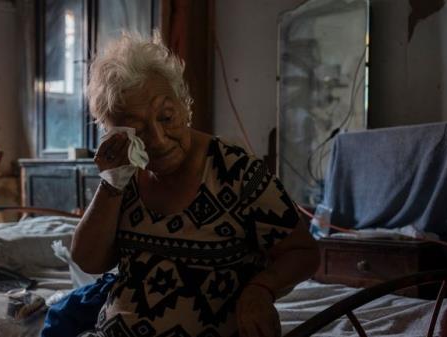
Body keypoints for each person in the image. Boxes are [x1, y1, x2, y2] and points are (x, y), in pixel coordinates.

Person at [71, 31, 319, 337]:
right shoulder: (125, 174)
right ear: (116, 134)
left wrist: (261, 289)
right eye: (138, 130)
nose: (159, 140)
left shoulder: (236, 171)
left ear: (185, 105)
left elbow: (304, 252)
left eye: (166, 117)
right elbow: (89, 261)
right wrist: (111, 184)